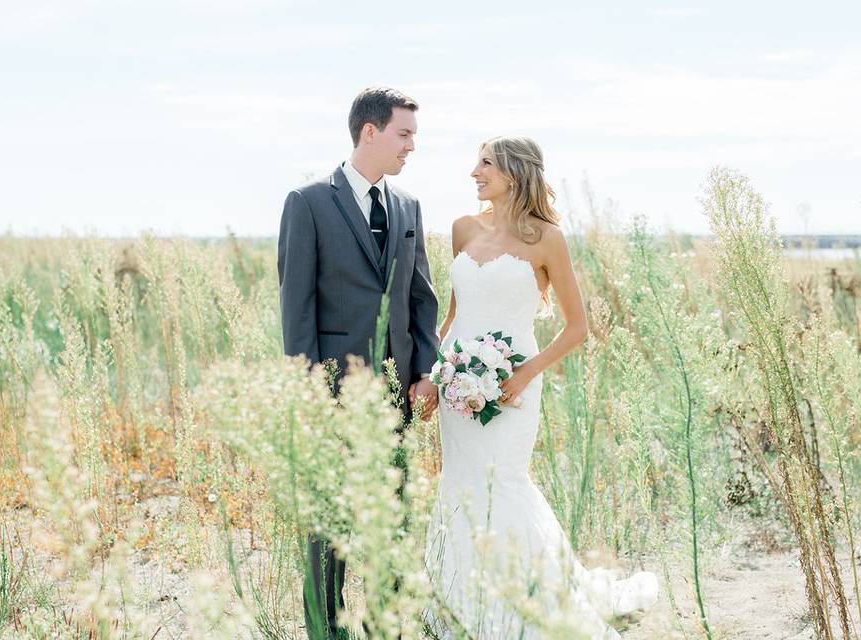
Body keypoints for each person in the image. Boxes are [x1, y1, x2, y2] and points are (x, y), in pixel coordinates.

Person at [425, 136, 658, 639]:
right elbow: (452, 315)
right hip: (456, 388)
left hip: (514, 386)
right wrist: (432, 372)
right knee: (460, 485)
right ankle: (463, 603)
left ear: (513, 171)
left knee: (504, 482)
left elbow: (577, 327)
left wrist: (527, 371)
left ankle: (527, 609)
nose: (474, 173)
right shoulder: (462, 229)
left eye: (484, 164)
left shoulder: (548, 238)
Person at [277, 86, 440, 640]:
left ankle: (385, 629)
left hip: (395, 395)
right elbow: (296, 308)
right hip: (333, 394)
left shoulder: (408, 207)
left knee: (390, 523)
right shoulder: (308, 204)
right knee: (330, 526)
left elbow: (421, 297)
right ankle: (327, 632)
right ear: (369, 132)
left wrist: (423, 372)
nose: (412, 147)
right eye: (404, 134)